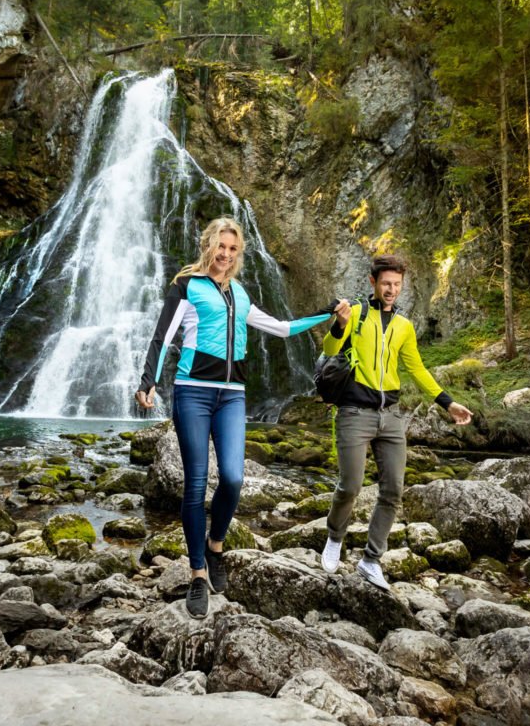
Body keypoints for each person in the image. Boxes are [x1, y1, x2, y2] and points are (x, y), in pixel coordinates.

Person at [136, 217, 334, 619]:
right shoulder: (187, 286)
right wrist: (148, 380)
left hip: (233, 397)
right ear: (208, 246)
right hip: (192, 391)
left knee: (233, 477)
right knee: (194, 483)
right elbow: (162, 335)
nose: (225, 255)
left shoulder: (241, 294)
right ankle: (196, 573)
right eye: (220, 247)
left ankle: (216, 546)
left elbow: (280, 328)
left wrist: (326, 312)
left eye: (232, 249)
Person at [320, 254, 473, 589]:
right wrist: (340, 324)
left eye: (396, 285)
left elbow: (416, 369)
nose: (391, 290)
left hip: (391, 417)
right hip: (353, 413)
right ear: (373, 283)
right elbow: (330, 347)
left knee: (393, 490)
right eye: (386, 283)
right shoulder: (357, 313)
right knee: (351, 486)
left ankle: (371, 560)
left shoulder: (404, 327)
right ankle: (334, 536)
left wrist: (447, 403)